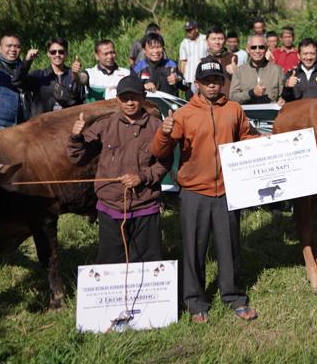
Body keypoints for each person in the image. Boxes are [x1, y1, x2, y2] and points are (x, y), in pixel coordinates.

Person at [151, 57, 260, 323]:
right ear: (197, 84)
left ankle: (233, 296)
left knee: (229, 246)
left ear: (223, 83)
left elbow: (247, 137)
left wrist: (267, 142)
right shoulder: (184, 113)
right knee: (194, 248)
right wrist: (164, 133)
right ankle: (195, 300)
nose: (212, 86)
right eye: (206, 82)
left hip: (226, 190)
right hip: (193, 192)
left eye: (216, 81)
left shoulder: (234, 109)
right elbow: (158, 151)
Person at [68, 76, 171, 264]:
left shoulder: (157, 127)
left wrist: (142, 177)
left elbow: (164, 163)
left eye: (134, 97)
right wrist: (76, 137)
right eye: (124, 98)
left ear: (143, 97)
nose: (130, 102)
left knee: (147, 263)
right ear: (117, 100)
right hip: (110, 208)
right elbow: (78, 157)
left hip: (145, 207)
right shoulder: (105, 125)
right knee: (110, 262)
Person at [12, 38, 87, 118]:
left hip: (68, 126)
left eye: (61, 52)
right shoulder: (40, 75)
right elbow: (17, 81)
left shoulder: (74, 75)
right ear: (48, 54)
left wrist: (76, 75)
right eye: (53, 52)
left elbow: (82, 93)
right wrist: (27, 61)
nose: (57, 55)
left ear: (66, 54)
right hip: (43, 126)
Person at [229, 34, 284, 104]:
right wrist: (251, 93)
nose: (257, 51)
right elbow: (232, 96)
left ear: (266, 49)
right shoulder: (239, 71)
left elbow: (282, 95)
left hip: (271, 113)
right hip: (247, 113)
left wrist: (282, 100)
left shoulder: (277, 70)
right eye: (253, 47)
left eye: (261, 47)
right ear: (247, 49)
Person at [131, 33, 189, 98]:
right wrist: (143, 86)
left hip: (170, 105)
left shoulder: (172, 65)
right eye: (152, 48)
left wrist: (178, 79)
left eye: (158, 47)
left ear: (163, 49)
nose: (156, 51)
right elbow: (130, 87)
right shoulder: (138, 67)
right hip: (147, 106)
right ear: (144, 50)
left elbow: (186, 86)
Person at [203, 28, 237, 97]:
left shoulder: (233, 58)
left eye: (220, 39)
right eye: (213, 39)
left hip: (230, 100)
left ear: (225, 41)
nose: (217, 42)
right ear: (207, 41)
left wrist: (236, 72)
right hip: (211, 101)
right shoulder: (203, 62)